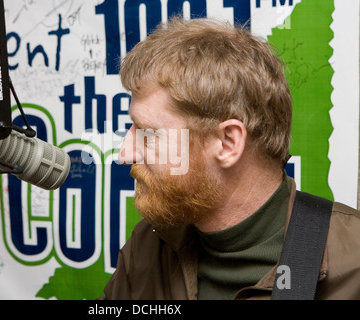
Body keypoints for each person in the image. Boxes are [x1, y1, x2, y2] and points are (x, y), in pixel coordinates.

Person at [100, 17, 360, 300]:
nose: (125, 154)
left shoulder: (353, 263)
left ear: (227, 143)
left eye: (148, 134)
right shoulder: (151, 244)